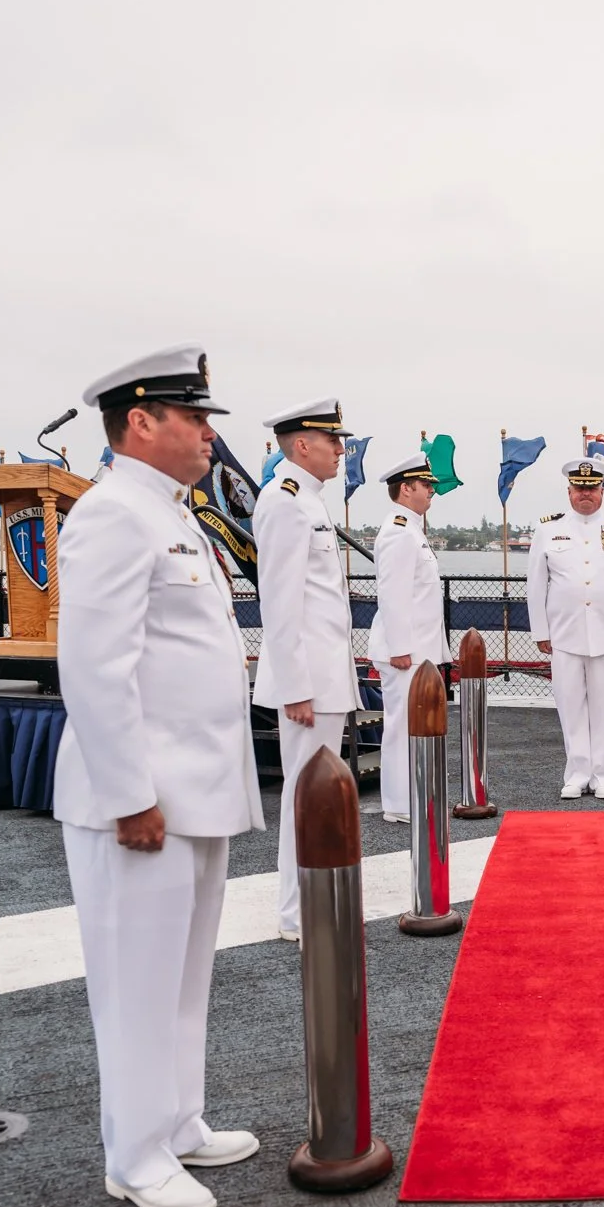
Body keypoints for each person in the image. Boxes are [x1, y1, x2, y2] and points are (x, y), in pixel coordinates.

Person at [55, 347, 265, 1207]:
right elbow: (94, 668)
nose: (210, 433)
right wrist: (129, 796)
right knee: (136, 983)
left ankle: (177, 1122)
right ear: (140, 422)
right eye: (196, 417)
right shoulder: (112, 515)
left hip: (194, 792)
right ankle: (135, 1157)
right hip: (142, 800)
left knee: (181, 976)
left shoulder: (171, 515)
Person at [251, 398, 359, 942]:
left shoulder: (309, 500)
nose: (341, 449)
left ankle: (314, 899)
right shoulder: (284, 502)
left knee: (320, 793)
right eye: (332, 440)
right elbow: (279, 601)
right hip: (308, 684)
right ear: (301, 445)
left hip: (324, 677)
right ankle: (297, 912)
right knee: (305, 791)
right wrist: (294, 687)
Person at [526, 455, 604, 798]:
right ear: (569, 491)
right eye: (579, 488)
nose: (585, 493)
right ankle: (577, 774)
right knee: (570, 707)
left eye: (591, 488)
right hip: (564, 634)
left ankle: (603, 776)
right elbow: (536, 584)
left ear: (602, 491)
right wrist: (540, 631)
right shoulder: (548, 529)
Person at [366, 453, 448, 824]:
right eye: (426, 484)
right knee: (402, 727)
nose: (432, 490)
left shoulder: (411, 529)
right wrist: (400, 648)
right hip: (405, 652)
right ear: (405, 489)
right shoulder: (399, 532)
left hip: (417, 650)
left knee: (415, 725)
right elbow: (393, 594)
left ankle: (413, 796)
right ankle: (399, 803)